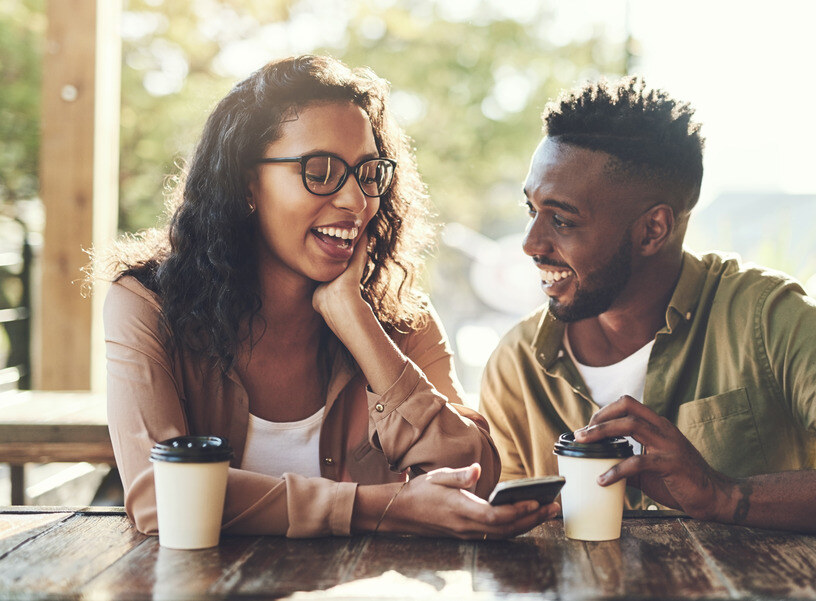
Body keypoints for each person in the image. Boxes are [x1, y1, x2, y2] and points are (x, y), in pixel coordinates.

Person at [100, 55, 558, 539]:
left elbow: (475, 476)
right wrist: (385, 507)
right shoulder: (148, 305)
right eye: (320, 170)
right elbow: (162, 496)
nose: (356, 202)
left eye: (368, 173)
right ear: (246, 183)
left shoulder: (397, 313)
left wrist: (358, 323)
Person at [480, 76, 816, 534]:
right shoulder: (517, 365)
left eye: (561, 219)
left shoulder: (765, 319)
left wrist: (724, 494)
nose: (530, 244)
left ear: (653, 230)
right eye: (531, 210)